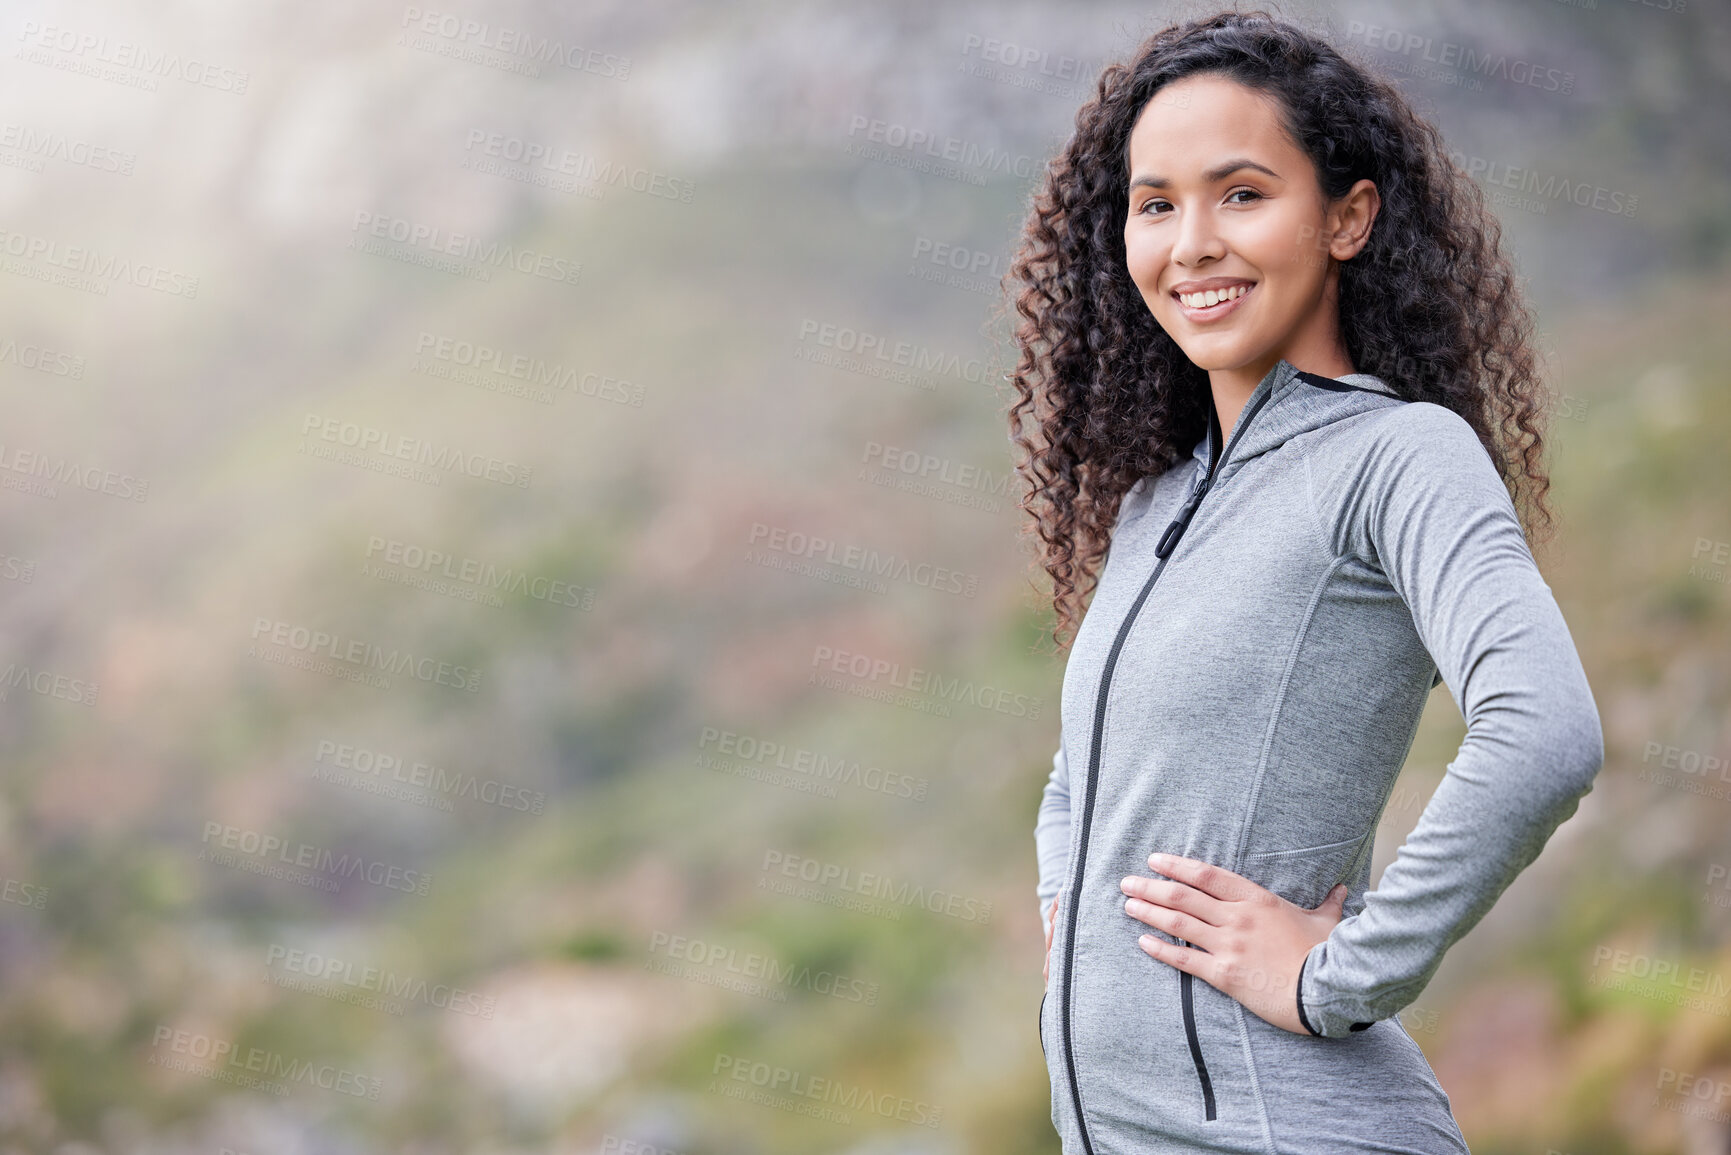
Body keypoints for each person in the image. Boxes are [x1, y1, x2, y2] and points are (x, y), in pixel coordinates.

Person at [1004, 11, 1604, 1153]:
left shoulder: (1400, 457)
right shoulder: (1154, 506)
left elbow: (1546, 731)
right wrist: (1066, 906)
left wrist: (1338, 976)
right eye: (1157, 204)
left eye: (1242, 193)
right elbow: (1082, 770)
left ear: (1347, 217)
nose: (1192, 245)